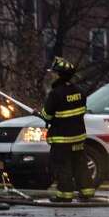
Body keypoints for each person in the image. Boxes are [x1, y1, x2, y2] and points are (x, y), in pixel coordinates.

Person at [38, 56, 94, 203]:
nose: (51, 75)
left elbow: (47, 117)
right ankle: (86, 192)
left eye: (54, 73)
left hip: (62, 139)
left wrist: (38, 113)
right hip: (78, 138)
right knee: (80, 165)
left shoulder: (55, 94)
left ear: (59, 75)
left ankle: (65, 195)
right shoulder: (80, 92)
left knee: (63, 166)